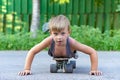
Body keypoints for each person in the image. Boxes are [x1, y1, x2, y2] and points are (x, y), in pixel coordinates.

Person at [18, 15, 102, 76]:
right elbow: (32, 51)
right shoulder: (49, 40)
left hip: (69, 52)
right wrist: (27, 69)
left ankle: (74, 53)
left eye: (63, 33)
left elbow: (92, 52)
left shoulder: (72, 42)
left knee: (73, 50)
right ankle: (49, 26)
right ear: (50, 33)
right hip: (54, 53)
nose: (59, 37)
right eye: (55, 34)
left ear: (69, 32)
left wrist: (94, 70)